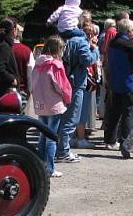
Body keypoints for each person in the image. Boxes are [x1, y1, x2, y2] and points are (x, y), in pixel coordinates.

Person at [55, 25, 98, 164]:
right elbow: (87, 60)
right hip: (76, 83)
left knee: (62, 118)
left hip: (64, 82)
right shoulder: (80, 41)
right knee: (71, 118)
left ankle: (60, 149)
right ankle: (63, 152)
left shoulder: (64, 39)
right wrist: (95, 50)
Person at [30, 35, 72, 178]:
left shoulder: (38, 63)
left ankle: (39, 165)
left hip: (41, 104)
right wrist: (67, 98)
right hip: (54, 105)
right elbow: (62, 86)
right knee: (51, 137)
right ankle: (50, 168)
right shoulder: (56, 65)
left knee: (43, 135)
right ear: (57, 49)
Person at [103, 17, 133, 148]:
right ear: (128, 30)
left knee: (114, 112)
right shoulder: (128, 45)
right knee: (127, 112)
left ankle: (109, 140)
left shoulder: (113, 42)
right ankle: (124, 141)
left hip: (114, 80)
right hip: (127, 82)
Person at [12, 24, 35, 96]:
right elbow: (31, 75)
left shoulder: (1, 48)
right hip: (21, 91)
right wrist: (31, 92)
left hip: (2, 91)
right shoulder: (26, 51)